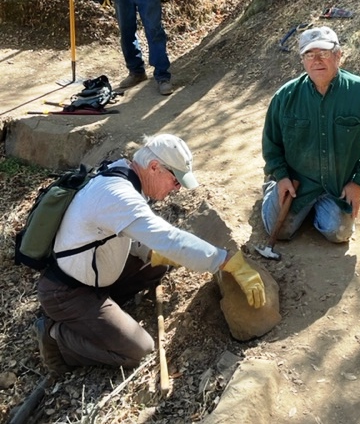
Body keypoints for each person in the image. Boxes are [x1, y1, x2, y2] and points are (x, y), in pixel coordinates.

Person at [34, 134, 265, 375]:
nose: (176, 189)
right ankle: (56, 337)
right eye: (175, 181)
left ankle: (103, 313)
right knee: (139, 350)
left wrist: (153, 254)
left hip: (93, 271)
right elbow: (170, 239)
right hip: (67, 292)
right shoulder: (118, 194)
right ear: (154, 167)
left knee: (159, 263)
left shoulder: (123, 172)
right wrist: (227, 261)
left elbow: (117, 233)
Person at [261, 26, 360, 244]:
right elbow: (271, 143)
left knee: (339, 233)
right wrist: (281, 175)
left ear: (338, 55)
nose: (317, 60)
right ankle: (272, 188)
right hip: (297, 184)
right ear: (302, 60)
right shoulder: (285, 97)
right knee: (279, 231)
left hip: (337, 186)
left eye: (323, 53)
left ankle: (316, 211)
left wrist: (358, 183)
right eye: (309, 55)